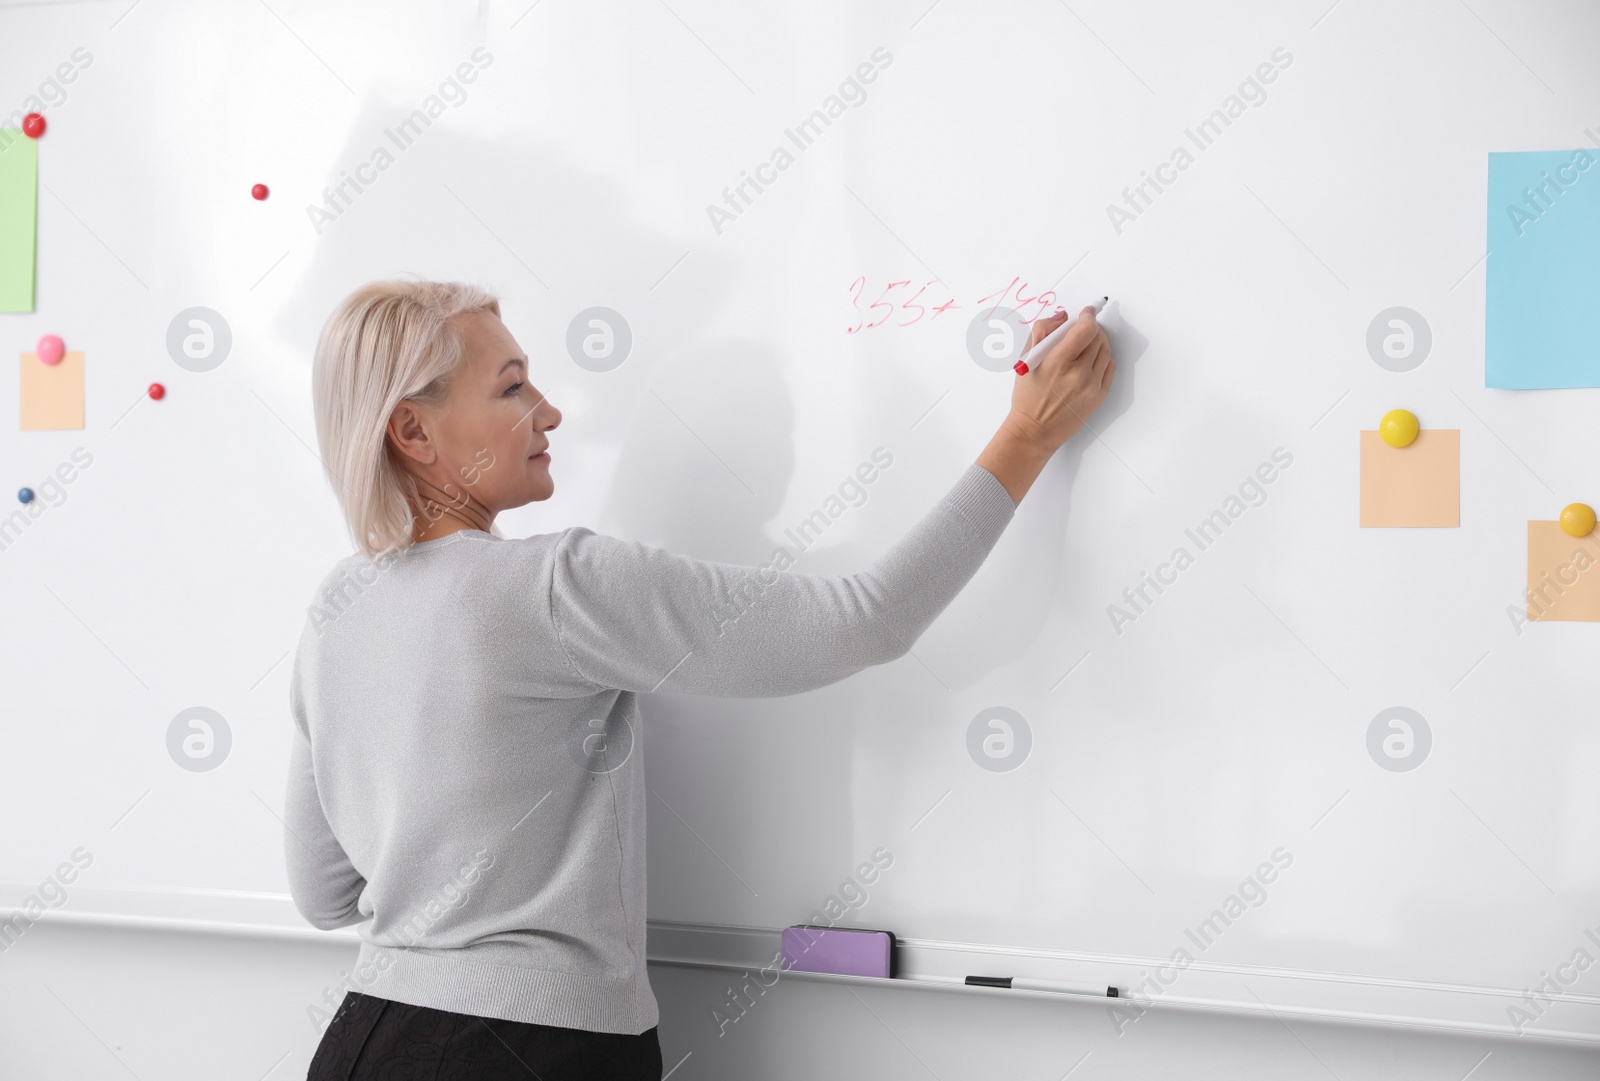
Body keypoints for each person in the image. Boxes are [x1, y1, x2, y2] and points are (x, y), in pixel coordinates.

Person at [289, 279, 1114, 1080]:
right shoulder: (551, 586)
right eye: (511, 389)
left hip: (363, 1032)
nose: (549, 410)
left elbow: (324, 892)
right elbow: (868, 618)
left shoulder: (336, 608)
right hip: (528, 1049)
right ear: (414, 432)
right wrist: (1028, 437)